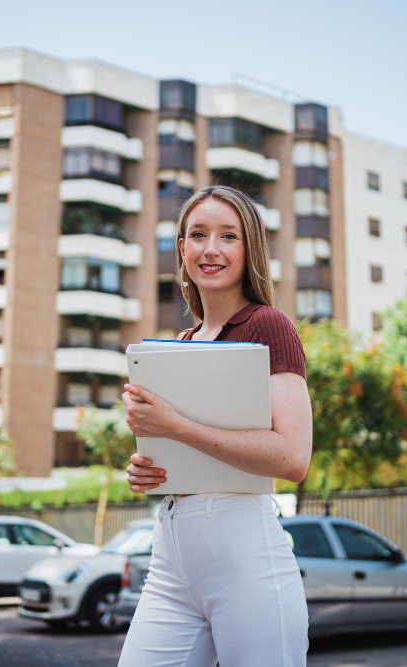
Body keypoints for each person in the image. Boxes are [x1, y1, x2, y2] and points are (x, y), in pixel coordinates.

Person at [118, 185, 312, 666]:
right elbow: (180, 448)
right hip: (170, 559)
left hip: (244, 556)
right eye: (198, 234)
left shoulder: (268, 325)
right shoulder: (181, 342)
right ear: (181, 248)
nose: (211, 249)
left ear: (249, 249)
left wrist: (175, 425)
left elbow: (293, 458)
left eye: (229, 236)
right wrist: (147, 468)